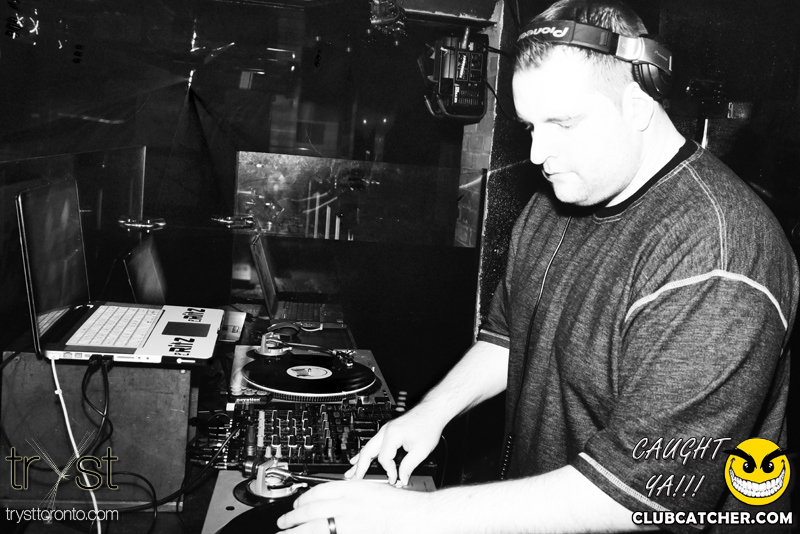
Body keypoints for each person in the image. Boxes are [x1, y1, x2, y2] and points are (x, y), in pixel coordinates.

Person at [277, 1, 799, 532]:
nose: (537, 153)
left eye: (563, 123)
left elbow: (645, 496)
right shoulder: (556, 201)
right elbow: (509, 334)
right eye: (530, 126)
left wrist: (417, 516)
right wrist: (431, 412)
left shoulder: (718, 257)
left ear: (639, 106)